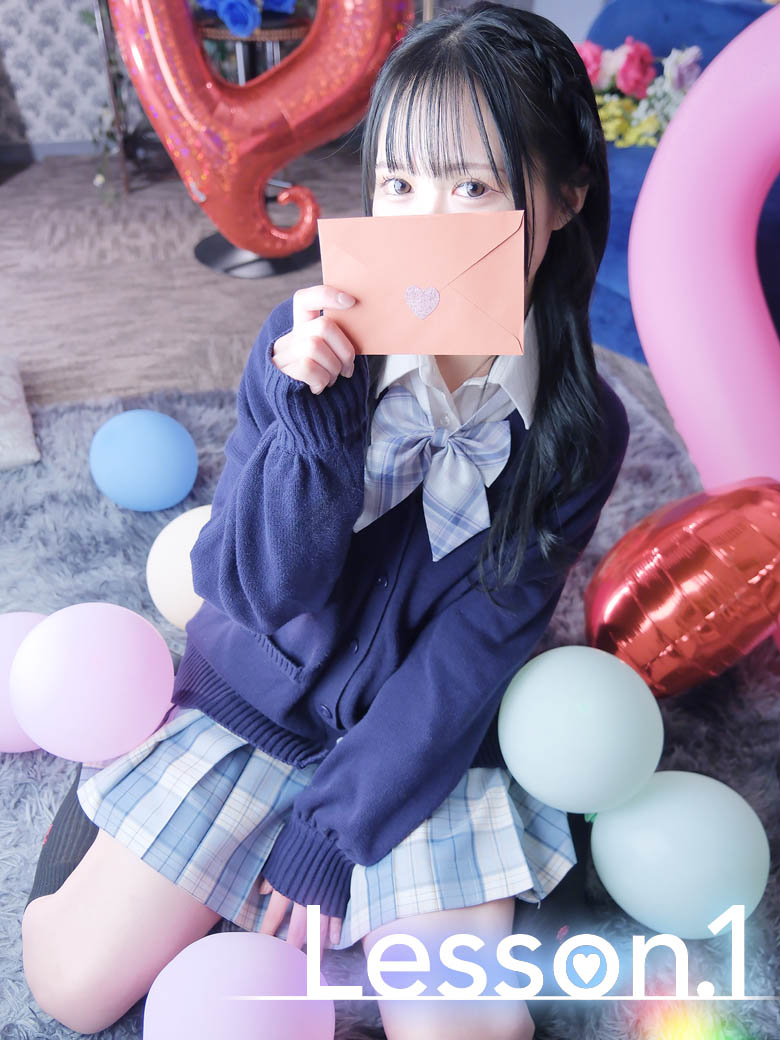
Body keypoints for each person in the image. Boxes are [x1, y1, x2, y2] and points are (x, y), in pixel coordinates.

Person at [21, 3, 630, 1036]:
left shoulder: (581, 427)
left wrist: (337, 832)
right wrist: (314, 429)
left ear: (566, 195)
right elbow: (254, 592)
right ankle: (110, 823)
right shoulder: (295, 345)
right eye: (399, 184)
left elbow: (473, 650)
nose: (425, 222)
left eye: (471, 186)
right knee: (71, 989)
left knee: (460, 1032)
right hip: (250, 703)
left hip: (421, 755)